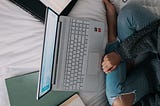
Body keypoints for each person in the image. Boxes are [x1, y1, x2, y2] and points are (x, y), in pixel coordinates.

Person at [102, 0, 160, 106]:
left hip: (151, 77)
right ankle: (125, 57)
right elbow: (156, 37)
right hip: (154, 40)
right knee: (128, 15)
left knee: (118, 101)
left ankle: (112, 37)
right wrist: (121, 54)